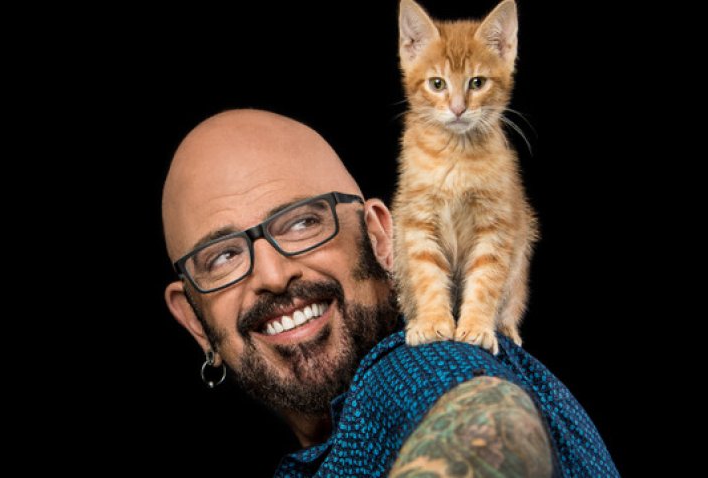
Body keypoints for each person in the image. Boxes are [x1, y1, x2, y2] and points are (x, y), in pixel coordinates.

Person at [162, 109, 618, 477]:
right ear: (195, 322)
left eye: (302, 223)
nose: (273, 274)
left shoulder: (414, 368)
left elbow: (493, 424)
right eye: (222, 257)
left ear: (381, 239)